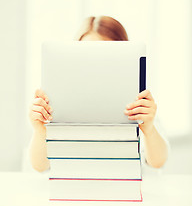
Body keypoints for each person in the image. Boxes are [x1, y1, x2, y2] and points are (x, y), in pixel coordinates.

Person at [29, 16, 168, 172]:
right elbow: (40, 166)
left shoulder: (138, 103)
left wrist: (149, 128)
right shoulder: (58, 102)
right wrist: (39, 130)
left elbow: (158, 162)